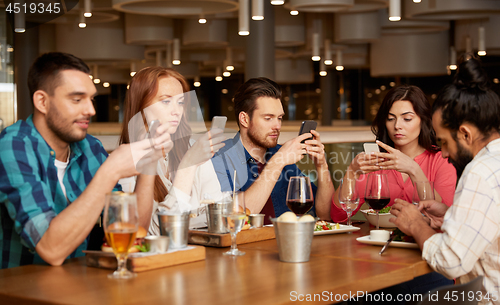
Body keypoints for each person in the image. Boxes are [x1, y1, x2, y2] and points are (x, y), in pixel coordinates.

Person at [0, 52, 172, 268]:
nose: (90, 110)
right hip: (20, 294)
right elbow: (51, 250)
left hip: (79, 288)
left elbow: (133, 230)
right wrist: (111, 171)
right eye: (76, 99)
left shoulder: (90, 147)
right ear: (42, 102)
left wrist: (149, 161)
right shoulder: (12, 146)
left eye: (91, 99)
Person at [390, 55, 500, 303]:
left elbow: (451, 261)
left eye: (444, 142)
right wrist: (451, 215)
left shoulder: (479, 172)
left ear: (465, 133)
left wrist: (415, 224)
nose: (446, 153)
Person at [211, 77, 333, 222]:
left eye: (279, 118)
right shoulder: (219, 157)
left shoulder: (280, 153)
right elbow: (234, 219)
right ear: (244, 119)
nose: (277, 126)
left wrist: (321, 165)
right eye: (268, 118)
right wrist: (278, 162)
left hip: (282, 242)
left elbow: (325, 214)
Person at [119, 67, 225, 233]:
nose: (177, 111)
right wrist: (188, 166)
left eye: (180, 102)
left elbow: (219, 210)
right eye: (166, 101)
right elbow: (152, 231)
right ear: (141, 106)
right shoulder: (124, 160)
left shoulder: (191, 147)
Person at [331, 85, 457, 223]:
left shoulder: (441, 159)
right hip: (379, 240)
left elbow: (446, 217)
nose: (397, 125)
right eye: (391, 119)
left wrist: (413, 169)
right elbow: (339, 216)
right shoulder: (375, 161)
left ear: (424, 120)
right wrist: (351, 172)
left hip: (423, 241)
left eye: (407, 119)